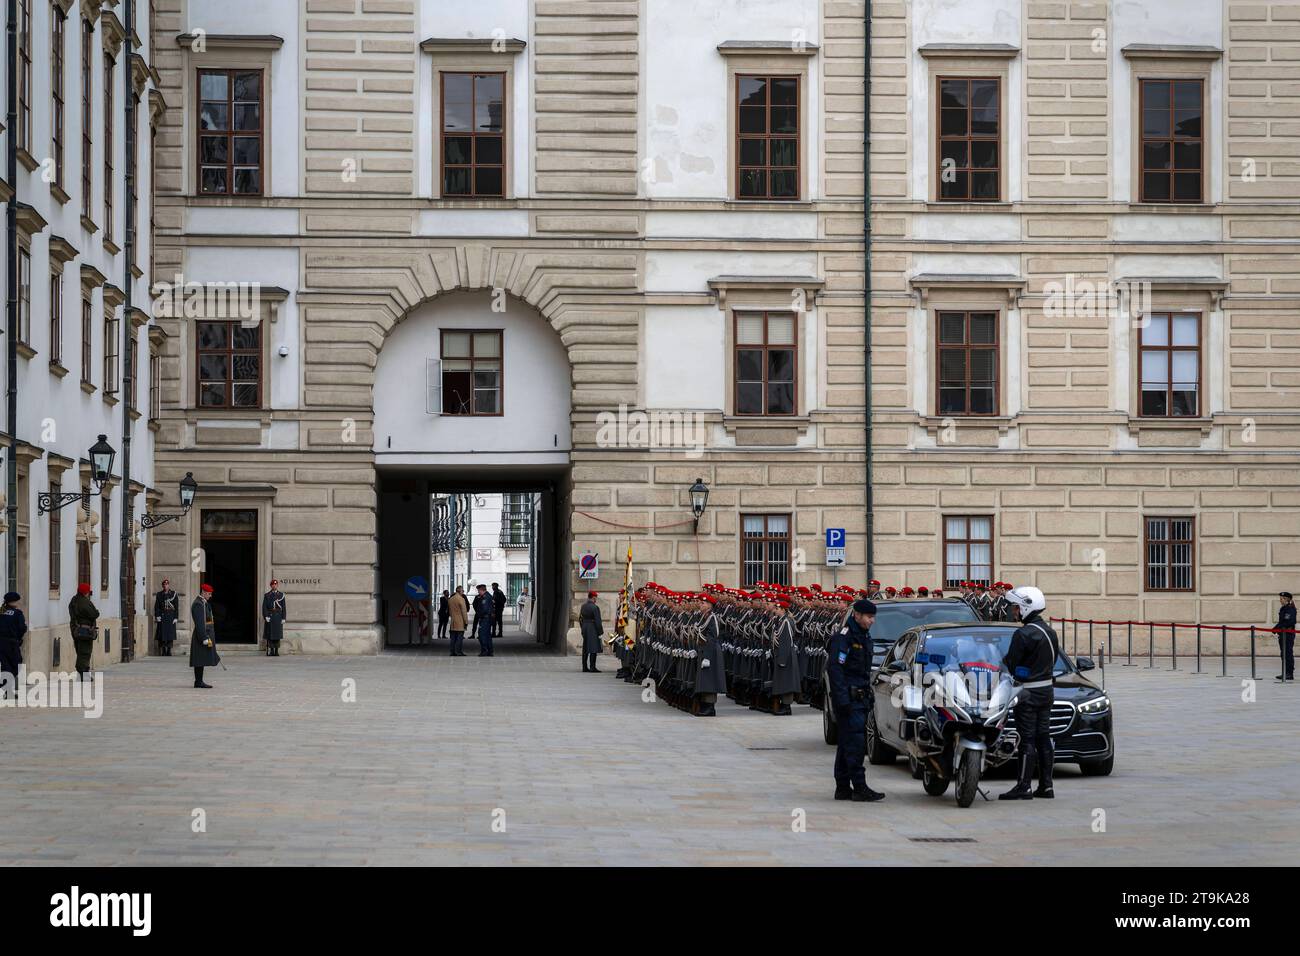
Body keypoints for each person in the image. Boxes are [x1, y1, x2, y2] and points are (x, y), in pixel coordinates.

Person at [999, 585, 1059, 800]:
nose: (1013, 612)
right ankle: (1047, 786)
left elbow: (1012, 665)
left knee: (1028, 739)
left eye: (1015, 607)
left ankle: (1024, 786)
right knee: (1044, 737)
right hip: (1047, 691)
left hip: (1028, 693)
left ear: (1025, 607)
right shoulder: (1050, 632)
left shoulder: (1023, 634)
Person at [827, 598, 885, 802]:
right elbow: (835, 670)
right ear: (857, 615)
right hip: (849, 700)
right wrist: (843, 700)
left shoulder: (863, 636)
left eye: (873, 617)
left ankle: (842, 787)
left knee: (846, 743)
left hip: (860, 698)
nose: (872, 621)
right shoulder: (844, 637)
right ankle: (859, 787)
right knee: (856, 744)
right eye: (869, 617)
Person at [769, 599, 800, 716]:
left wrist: (782, 659)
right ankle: (784, 705)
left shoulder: (786, 621)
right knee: (782, 681)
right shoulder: (780, 620)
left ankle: (787, 707)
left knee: (786, 681)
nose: (775, 610)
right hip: (781, 654)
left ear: (783, 609)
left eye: (777, 608)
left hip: (786, 655)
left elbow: (786, 642)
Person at [190, 583, 221, 688]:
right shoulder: (199, 604)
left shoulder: (204, 603)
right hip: (201, 635)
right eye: (209, 593)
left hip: (206, 633)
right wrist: (204, 637)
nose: (210, 596)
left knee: (201, 659)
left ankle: (199, 681)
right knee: (199, 659)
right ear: (203, 592)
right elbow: (200, 623)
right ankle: (198, 682)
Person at [68, 583, 100, 682]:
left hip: (76, 630)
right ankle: (83, 673)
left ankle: (81, 673)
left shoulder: (74, 600)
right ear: (85, 592)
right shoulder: (84, 602)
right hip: (85, 631)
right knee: (85, 652)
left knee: (80, 650)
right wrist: (96, 611)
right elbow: (94, 614)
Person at [0, 592, 27, 698]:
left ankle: (8, 692)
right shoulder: (17, 613)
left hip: (1, 643)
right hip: (11, 643)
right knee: (16, 665)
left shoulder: (1, 611)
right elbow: (22, 628)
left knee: (6, 666)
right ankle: (4, 685)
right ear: (14, 601)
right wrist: (19, 638)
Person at [153, 579, 179, 656]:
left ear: (169, 585)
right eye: (164, 585)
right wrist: (157, 615)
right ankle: (163, 650)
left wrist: (176, 617)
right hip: (163, 616)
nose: (165, 586)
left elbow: (176, 607)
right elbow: (157, 607)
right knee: (162, 635)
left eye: (167, 584)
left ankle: (169, 650)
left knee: (170, 635)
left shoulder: (173, 594)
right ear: (162, 586)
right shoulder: (159, 594)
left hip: (170, 616)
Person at [579, 590, 603, 673]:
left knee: (585, 648)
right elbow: (598, 621)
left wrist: (582, 628)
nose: (596, 599)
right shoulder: (595, 607)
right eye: (595, 597)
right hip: (592, 628)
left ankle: (584, 667)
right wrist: (600, 632)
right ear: (593, 597)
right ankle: (592, 667)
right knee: (593, 647)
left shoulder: (583, 606)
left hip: (585, 626)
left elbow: (580, 619)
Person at [262, 579, 286, 657]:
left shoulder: (281, 595)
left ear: (277, 585)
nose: (274, 586)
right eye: (273, 584)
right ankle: (271, 650)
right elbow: (264, 607)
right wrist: (265, 616)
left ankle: (276, 651)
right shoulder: (267, 595)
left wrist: (283, 618)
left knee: (277, 634)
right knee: (270, 635)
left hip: (278, 616)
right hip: (270, 615)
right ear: (271, 585)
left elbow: (284, 607)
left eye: (275, 584)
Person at [1277, 592, 1296, 683]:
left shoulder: (1290, 609)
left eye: (1282, 598)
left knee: (1288, 653)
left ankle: (1289, 673)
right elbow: (1282, 621)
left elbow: (1289, 622)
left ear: (1287, 599)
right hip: (1282, 633)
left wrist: (1278, 628)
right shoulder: (1283, 608)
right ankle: (1285, 672)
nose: (1280, 600)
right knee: (1283, 653)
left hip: (1288, 633)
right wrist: (1276, 629)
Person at [447, 585, 469, 657]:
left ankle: (452, 651)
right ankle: (458, 652)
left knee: (453, 638)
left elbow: (449, 611)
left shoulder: (451, 599)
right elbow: (464, 612)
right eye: (463, 591)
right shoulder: (461, 599)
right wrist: (466, 622)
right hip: (460, 621)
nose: (463, 592)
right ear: (459, 591)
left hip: (453, 621)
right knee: (459, 638)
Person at [475, 584, 495, 656]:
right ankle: (490, 651)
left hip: (485, 619)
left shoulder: (485, 597)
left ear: (481, 590)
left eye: (478, 590)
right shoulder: (487, 596)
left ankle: (485, 651)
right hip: (487, 618)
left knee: (482, 635)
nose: (478, 592)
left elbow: (485, 609)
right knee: (487, 635)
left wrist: (479, 615)